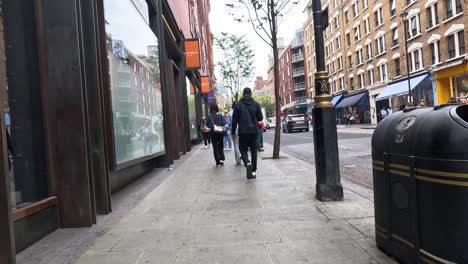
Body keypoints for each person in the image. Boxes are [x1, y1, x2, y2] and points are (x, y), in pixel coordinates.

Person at [232, 87, 263, 179]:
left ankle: (247, 162)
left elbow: (234, 120)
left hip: (243, 132)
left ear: (243, 94)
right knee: (254, 151)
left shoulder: (238, 105)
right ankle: (253, 171)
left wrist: (233, 132)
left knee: (243, 149)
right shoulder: (256, 104)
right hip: (254, 131)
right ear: (250, 94)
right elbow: (260, 117)